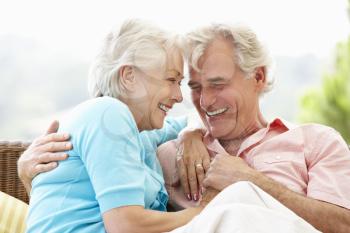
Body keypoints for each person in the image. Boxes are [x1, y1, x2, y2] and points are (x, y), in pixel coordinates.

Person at [157, 23, 350, 233]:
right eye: (196, 88)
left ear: (258, 77)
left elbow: (343, 226)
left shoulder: (317, 142)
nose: (205, 101)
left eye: (218, 85)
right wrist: (190, 133)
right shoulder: (172, 154)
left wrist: (251, 181)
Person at [24, 19, 205, 233]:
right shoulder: (108, 114)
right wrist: (206, 210)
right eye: (170, 80)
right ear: (129, 77)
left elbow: (196, 117)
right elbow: (126, 226)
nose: (178, 96)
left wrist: (190, 133)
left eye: (180, 83)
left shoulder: (141, 133)